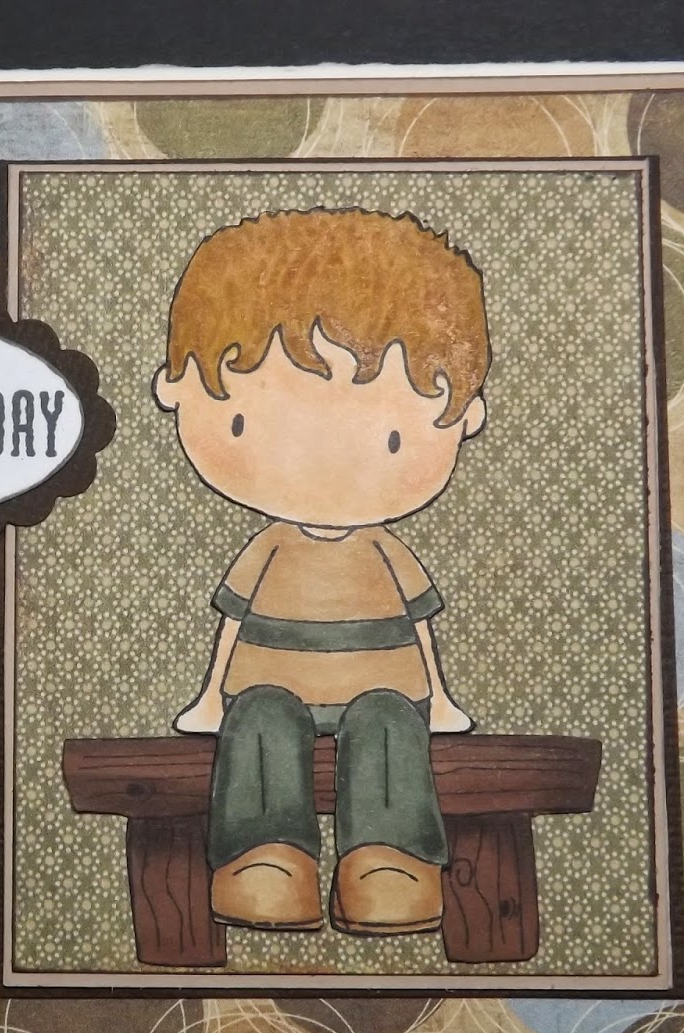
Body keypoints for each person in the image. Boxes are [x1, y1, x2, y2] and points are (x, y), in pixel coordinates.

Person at [152, 206, 491, 936]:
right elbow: (234, 625)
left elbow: (418, 628)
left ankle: (391, 860)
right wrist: (212, 699)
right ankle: (263, 857)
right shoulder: (268, 551)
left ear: (464, 417)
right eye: (246, 423)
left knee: (389, 724)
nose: (324, 470)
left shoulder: (387, 553)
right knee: (259, 718)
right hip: (271, 685)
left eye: (390, 437)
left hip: (383, 689)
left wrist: (438, 702)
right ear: (176, 389)